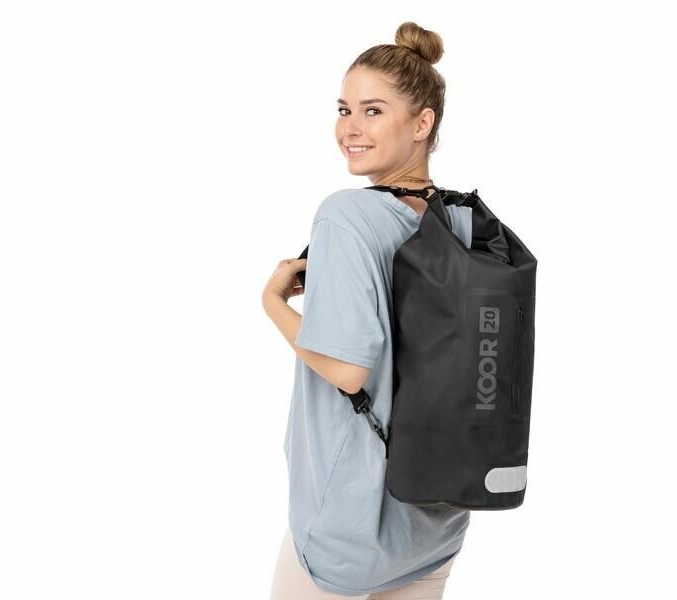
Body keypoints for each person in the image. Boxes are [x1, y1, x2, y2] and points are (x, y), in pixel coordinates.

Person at [262, 21, 472, 599]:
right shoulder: (463, 222)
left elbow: (349, 370)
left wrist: (273, 304)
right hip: (434, 523)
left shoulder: (346, 216)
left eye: (372, 111)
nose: (348, 128)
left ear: (422, 123)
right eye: (344, 109)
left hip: (348, 525)